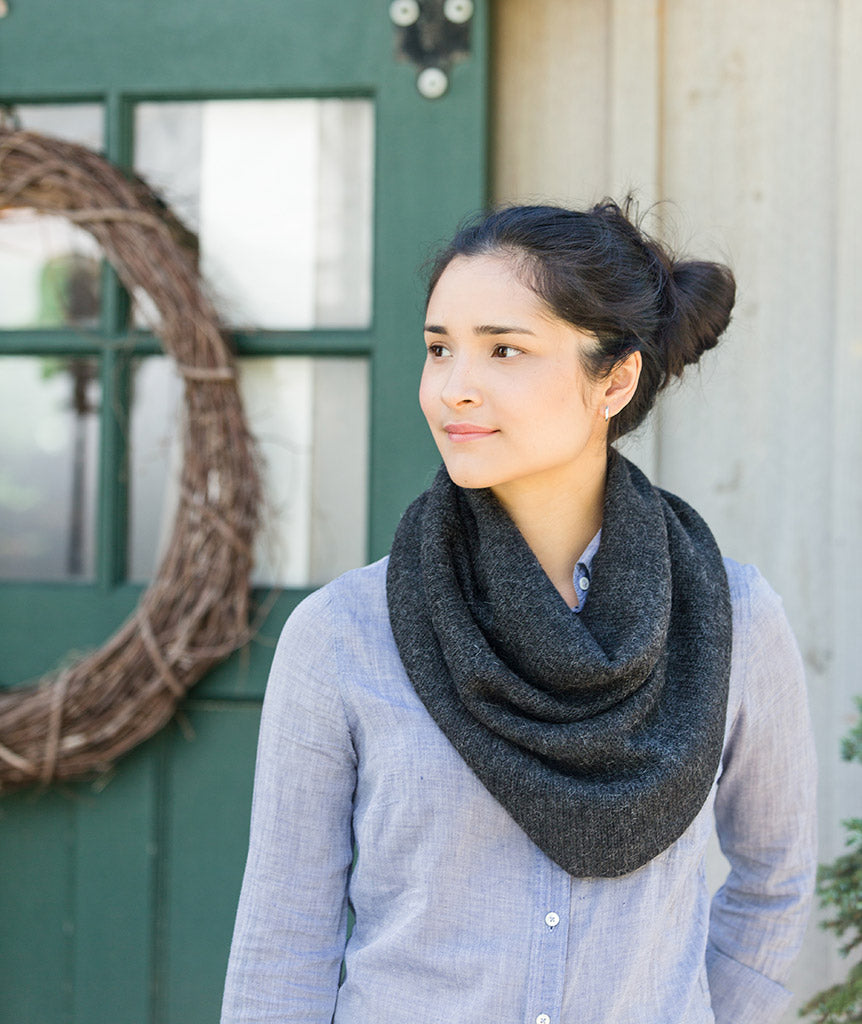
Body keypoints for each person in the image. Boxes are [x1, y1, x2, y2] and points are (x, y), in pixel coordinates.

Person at [221, 200, 817, 1024]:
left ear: (615, 379)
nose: (453, 388)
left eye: (504, 349)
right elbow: (284, 937)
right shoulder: (342, 634)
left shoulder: (732, 619)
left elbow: (773, 882)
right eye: (439, 350)